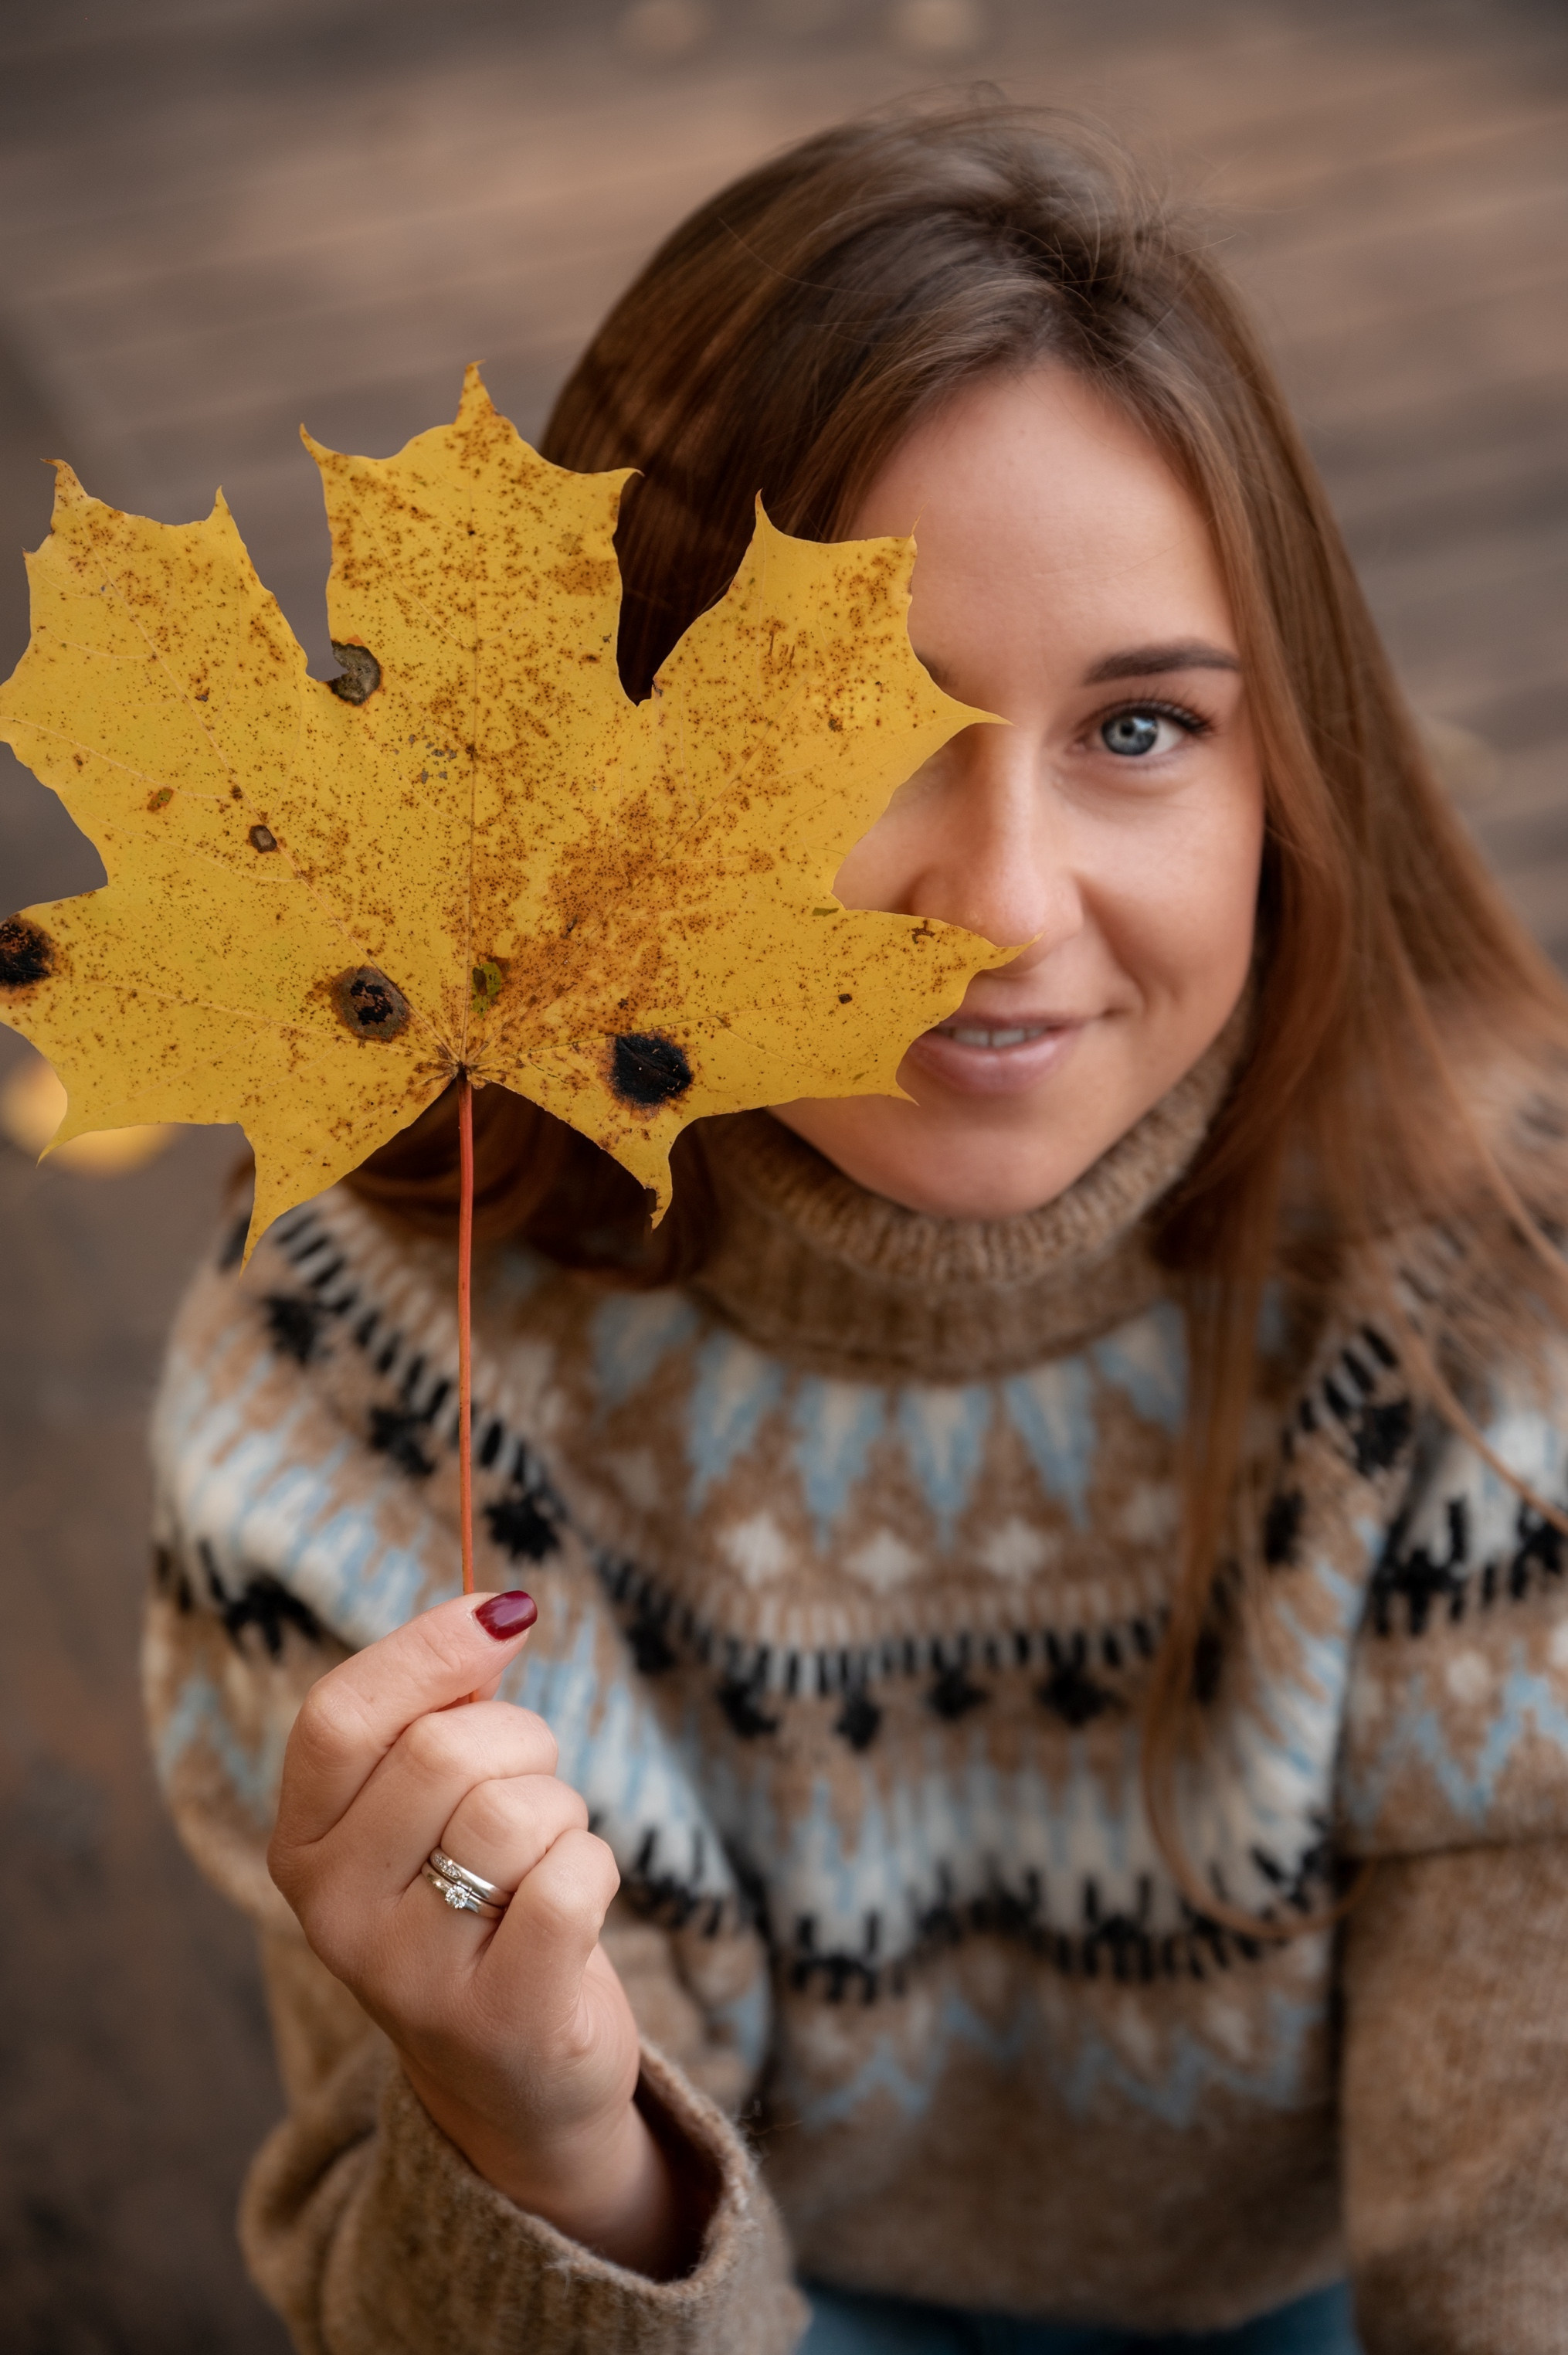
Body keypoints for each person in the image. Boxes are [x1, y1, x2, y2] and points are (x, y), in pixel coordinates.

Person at [145, 103, 1568, 2355]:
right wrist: (541, 2131)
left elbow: (1521, 2255)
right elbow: (392, 2278)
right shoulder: (366, 1376)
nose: (1003, 912)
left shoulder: (1499, 1311)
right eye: (865, 734)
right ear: (597, 775)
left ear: (1290, 764)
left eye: (1138, 726)